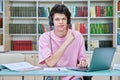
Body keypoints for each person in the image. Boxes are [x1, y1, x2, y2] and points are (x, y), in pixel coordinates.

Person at [39, 4, 92, 80]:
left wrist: (83, 62)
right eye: (57, 19)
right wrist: (67, 42)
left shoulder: (77, 35)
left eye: (63, 19)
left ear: (68, 20)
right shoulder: (45, 38)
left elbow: (82, 59)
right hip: (53, 77)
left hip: (74, 77)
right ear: (52, 21)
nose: (61, 22)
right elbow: (50, 63)